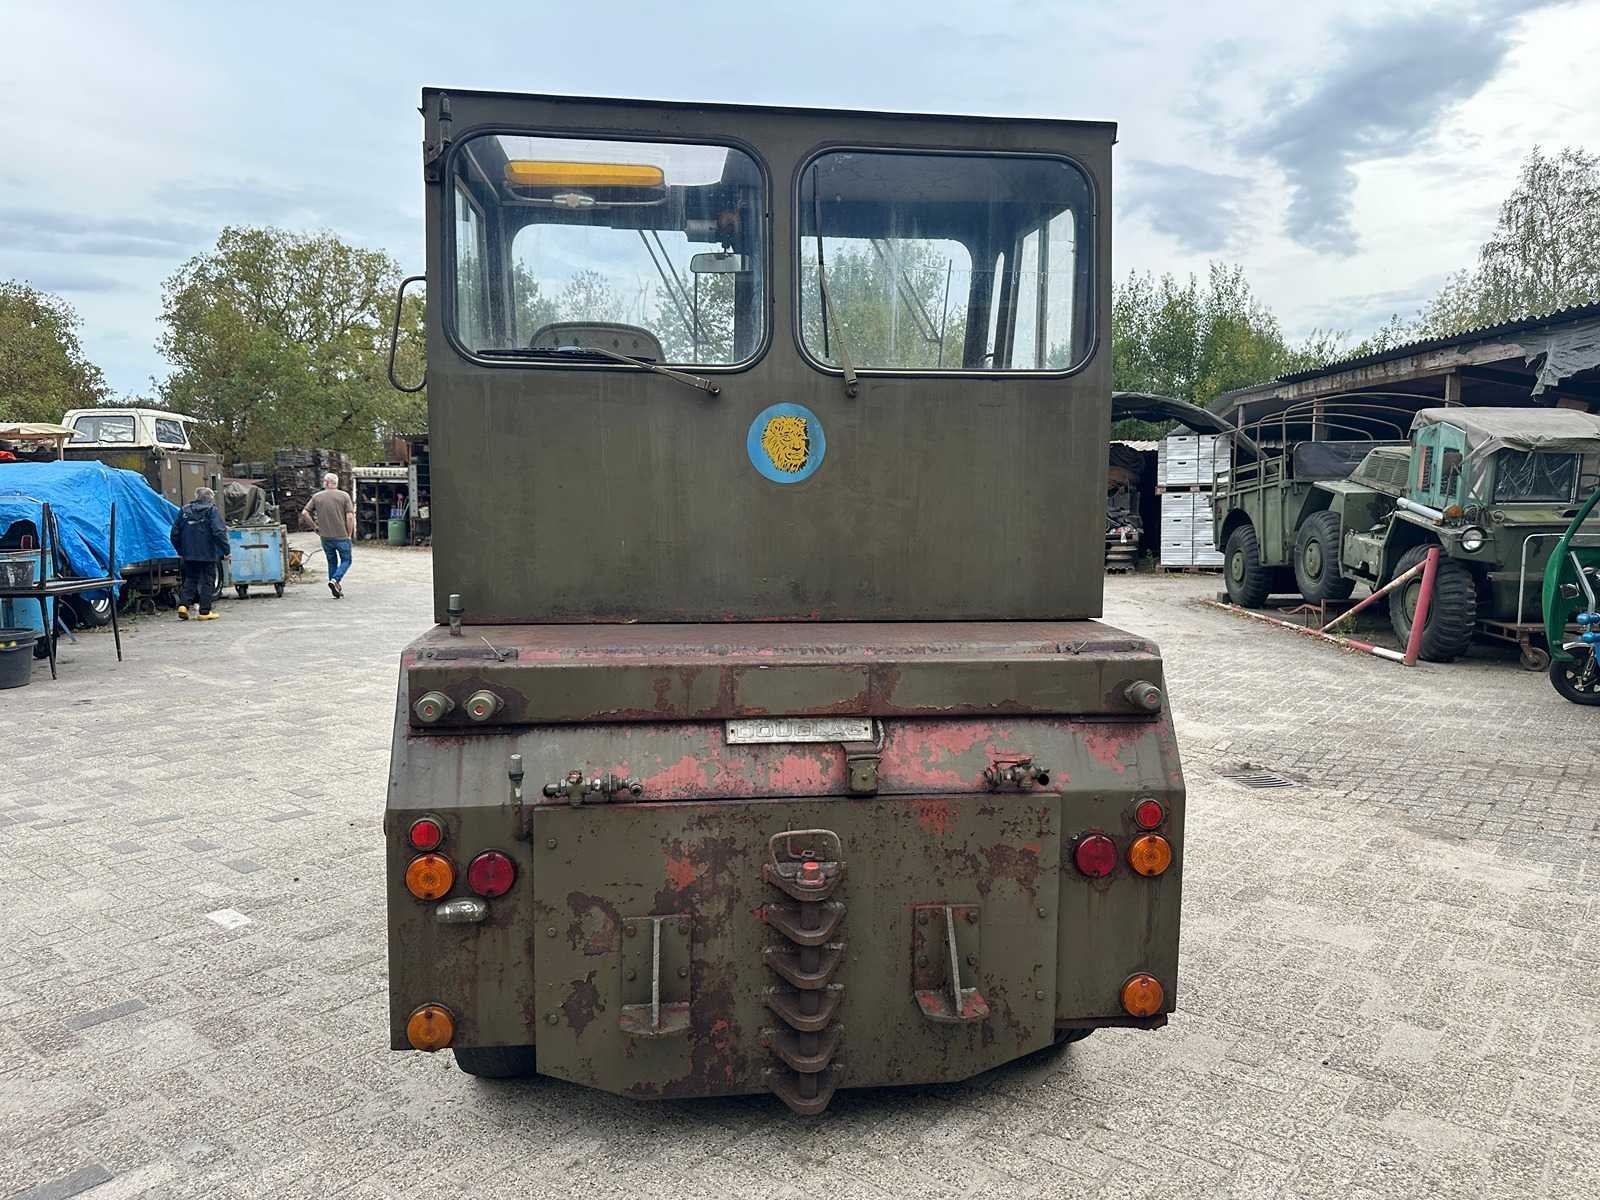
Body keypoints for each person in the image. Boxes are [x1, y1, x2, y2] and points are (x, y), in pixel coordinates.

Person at [169, 486, 230, 621]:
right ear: (210, 498)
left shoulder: (184, 510)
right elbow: (218, 532)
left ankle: (183, 606)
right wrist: (226, 550)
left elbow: (174, 533)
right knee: (208, 581)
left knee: (190, 579)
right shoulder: (212, 510)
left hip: (189, 553)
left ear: (197, 497)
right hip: (207, 553)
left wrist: (181, 550)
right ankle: (204, 611)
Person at [303, 472, 355, 598]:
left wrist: (315, 527)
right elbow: (349, 516)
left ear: (326, 483)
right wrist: (349, 534)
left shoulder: (317, 497)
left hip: (325, 537)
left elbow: (305, 513)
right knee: (346, 560)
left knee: (332, 562)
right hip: (342, 536)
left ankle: (334, 585)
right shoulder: (344, 496)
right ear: (336, 483)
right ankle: (335, 580)